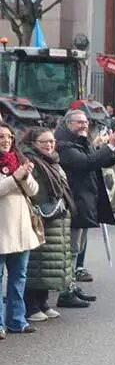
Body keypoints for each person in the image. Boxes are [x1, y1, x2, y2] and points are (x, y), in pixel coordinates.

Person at [55, 109, 115, 308]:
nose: (84, 125)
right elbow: (87, 163)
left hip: (84, 203)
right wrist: (110, 144)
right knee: (71, 250)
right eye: (79, 122)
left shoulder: (82, 142)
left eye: (86, 122)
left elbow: (102, 161)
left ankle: (72, 286)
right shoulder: (64, 146)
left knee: (77, 249)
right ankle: (65, 292)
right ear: (68, 124)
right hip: (74, 203)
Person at [21, 127, 75, 322]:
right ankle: (31, 306)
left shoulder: (52, 161)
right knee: (37, 264)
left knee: (48, 265)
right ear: (34, 143)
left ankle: (43, 302)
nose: (50, 144)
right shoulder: (32, 162)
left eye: (52, 141)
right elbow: (35, 193)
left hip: (56, 217)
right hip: (43, 217)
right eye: (45, 142)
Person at [0, 122, 42, 337]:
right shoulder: (12, 169)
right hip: (1, 229)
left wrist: (25, 176)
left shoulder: (19, 160)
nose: (6, 140)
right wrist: (14, 177)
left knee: (18, 278)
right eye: (1, 137)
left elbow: (34, 190)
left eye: (9, 137)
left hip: (21, 230)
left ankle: (17, 320)